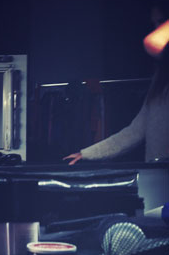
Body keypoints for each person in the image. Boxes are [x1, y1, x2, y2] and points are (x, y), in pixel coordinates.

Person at [64, 20, 169, 165]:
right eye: (155, 24)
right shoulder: (159, 81)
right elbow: (134, 132)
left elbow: (152, 42)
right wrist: (87, 154)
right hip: (156, 174)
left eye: (161, 22)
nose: (156, 30)